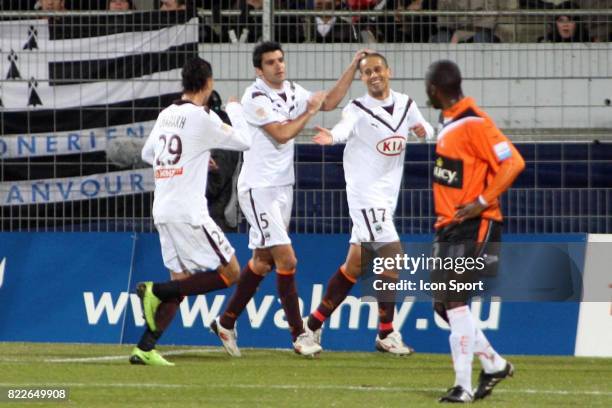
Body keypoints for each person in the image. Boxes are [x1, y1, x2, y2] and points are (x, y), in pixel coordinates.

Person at [210, 41, 370, 357]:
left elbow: (330, 101)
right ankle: (300, 335)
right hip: (258, 189)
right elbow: (282, 134)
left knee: (262, 261)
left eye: (281, 60)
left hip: (283, 187)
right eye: (271, 62)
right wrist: (309, 110)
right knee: (287, 259)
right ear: (259, 69)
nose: (278, 66)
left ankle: (226, 321)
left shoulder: (292, 91)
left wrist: (352, 67)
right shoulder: (254, 98)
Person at [304, 52, 434, 355]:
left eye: (377, 69)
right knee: (393, 254)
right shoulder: (358, 108)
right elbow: (344, 128)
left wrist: (423, 131)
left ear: (388, 70)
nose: (373, 75)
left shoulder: (406, 104)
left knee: (355, 265)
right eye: (367, 72)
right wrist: (332, 137)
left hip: (387, 196)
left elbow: (428, 129)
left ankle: (310, 328)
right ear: (362, 78)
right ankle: (386, 333)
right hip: (364, 192)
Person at [131, 57, 252, 366]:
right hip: (189, 212)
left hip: (163, 210)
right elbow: (245, 141)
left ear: (184, 82)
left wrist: (191, 159)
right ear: (209, 84)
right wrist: (236, 109)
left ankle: (145, 347)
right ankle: (154, 290)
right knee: (233, 272)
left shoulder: (166, 114)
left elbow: (149, 153)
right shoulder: (203, 117)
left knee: (181, 280)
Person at [425, 60, 524, 402]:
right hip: (449, 225)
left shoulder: (474, 123)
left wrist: (482, 201)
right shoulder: (450, 122)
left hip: (475, 223)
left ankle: (462, 386)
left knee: (454, 300)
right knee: (442, 306)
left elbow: (513, 161)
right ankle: (494, 364)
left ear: (434, 89)